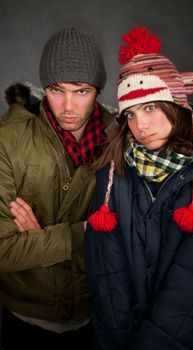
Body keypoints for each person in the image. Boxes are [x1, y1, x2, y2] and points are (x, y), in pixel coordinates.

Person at [84, 27, 193, 349]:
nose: (141, 127)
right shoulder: (113, 171)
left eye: (150, 108)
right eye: (131, 115)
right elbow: (106, 271)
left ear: (176, 104)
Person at [0, 27, 114, 349]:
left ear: (98, 90)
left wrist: (38, 239)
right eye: (56, 89)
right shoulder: (7, 140)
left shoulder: (118, 143)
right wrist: (82, 234)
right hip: (23, 319)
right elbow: (2, 250)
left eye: (81, 91)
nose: (67, 106)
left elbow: (122, 248)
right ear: (44, 88)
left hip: (94, 320)